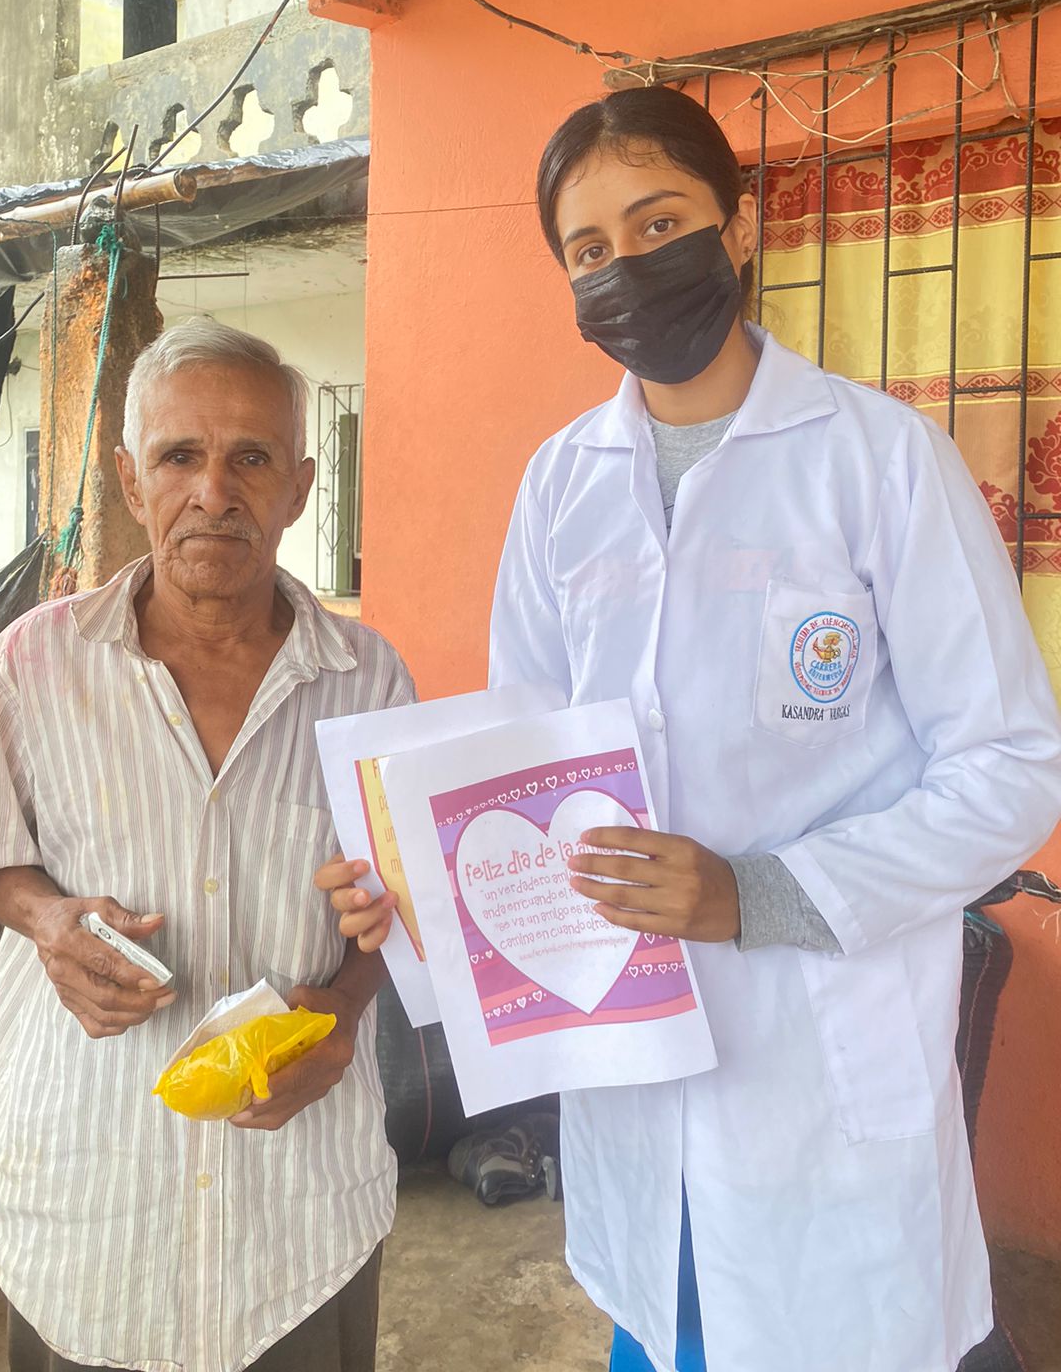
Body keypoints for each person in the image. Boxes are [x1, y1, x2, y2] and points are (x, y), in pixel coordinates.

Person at [316, 87, 1061, 1372]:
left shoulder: (881, 461)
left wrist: (756, 894)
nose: (625, 267)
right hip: (635, 1071)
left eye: (659, 223)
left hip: (824, 1085)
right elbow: (524, 773)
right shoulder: (563, 484)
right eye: (589, 248)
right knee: (665, 1336)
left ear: (742, 227)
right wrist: (420, 889)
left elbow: (1010, 768)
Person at [0, 320, 412, 1372]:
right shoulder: (30, 666)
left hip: (298, 1221)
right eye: (179, 456)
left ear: (299, 488)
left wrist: (343, 1011)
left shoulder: (370, 680)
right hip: (89, 1214)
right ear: (128, 478)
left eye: (252, 458)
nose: (214, 491)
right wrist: (48, 918)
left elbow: (400, 899)